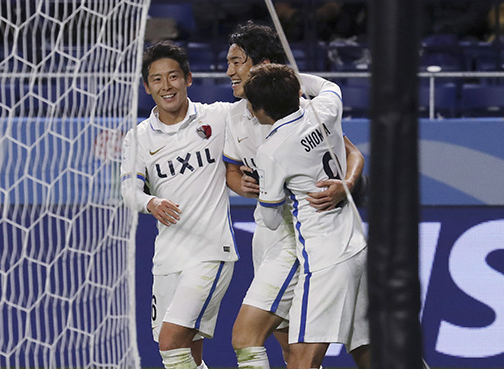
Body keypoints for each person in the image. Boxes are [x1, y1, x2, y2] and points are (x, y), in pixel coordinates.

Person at [223, 22, 366, 367]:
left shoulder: (293, 121)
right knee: (348, 349)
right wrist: (239, 184)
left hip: (307, 244)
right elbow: (231, 170)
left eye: (237, 61)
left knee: (287, 352)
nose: (229, 71)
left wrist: (345, 184)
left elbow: (353, 154)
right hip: (325, 242)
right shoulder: (321, 109)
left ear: (262, 65)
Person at [120, 41, 238, 369]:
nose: (166, 86)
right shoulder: (139, 136)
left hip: (211, 252)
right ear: (146, 87)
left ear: (187, 78)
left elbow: (268, 105)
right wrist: (150, 201)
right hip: (168, 259)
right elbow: (129, 191)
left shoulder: (218, 117)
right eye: (157, 79)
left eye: (173, 77)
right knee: (186, 353)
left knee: (170, 343)